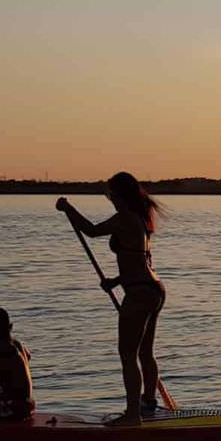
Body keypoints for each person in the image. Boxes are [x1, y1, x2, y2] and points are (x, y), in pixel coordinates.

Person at [57, 172, 166, 426]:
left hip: (140, 293)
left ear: (120, 195)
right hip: (153, 289)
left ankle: (132, 416)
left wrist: (67, 209)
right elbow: (138, 260)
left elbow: (92, 231)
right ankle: (147, 404)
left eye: (111, 194)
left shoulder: (126, 217)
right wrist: (117, 281)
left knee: (128, 354)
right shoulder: (139, 217)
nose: (110, 199)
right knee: (145, 352)